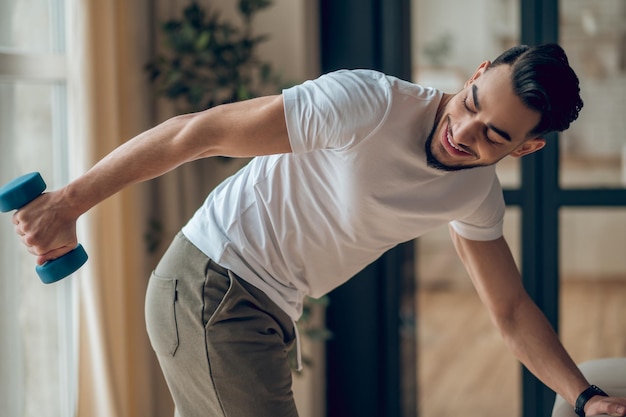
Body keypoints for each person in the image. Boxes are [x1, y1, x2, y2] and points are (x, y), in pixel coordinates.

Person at [12, 43, 626, 417]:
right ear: (477, 71)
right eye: (471, 102)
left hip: (267, 309)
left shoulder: (473, 191)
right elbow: (197, 133)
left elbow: (511, 310)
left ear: (528, 148)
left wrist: (583, 396)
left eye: (496, 134)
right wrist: (67, 203)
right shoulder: (367, 103)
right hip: (211, 286)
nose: (464, 132)